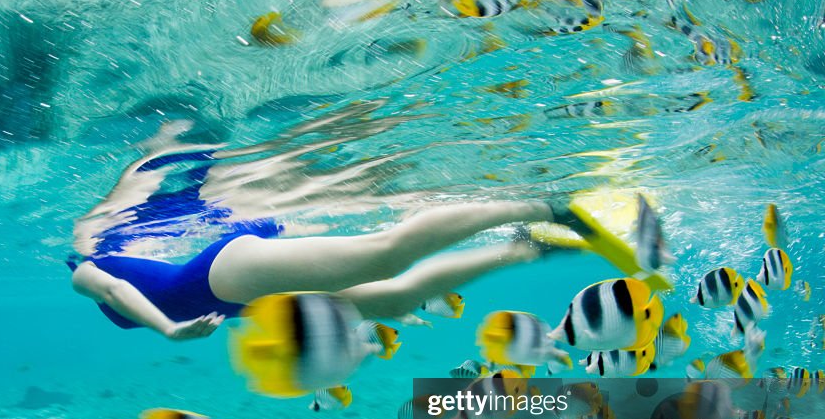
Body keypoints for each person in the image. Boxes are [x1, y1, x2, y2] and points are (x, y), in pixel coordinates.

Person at [69, 144, 583, 341]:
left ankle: (545, 206)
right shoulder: (115, 253)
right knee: (396, 296)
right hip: (244, 300)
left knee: (385, 255)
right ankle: (525, 246)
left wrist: (166, 329)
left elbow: (116, 294)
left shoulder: (86, 268)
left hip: (221, 274)